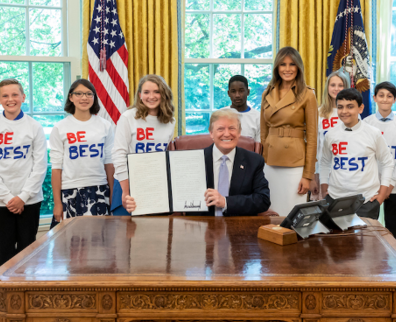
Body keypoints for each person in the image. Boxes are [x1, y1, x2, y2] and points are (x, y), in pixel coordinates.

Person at [123, 109, 271, 216]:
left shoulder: (253, 160)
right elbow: (170, 196)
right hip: (201, 232)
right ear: (211, 133)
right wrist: (139, 202)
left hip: (239, 231)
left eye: (232, 128)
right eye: (220, 129)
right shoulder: (191, 160)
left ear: (239, 132)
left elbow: (263, 200)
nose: (227, 134)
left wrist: (225, 202)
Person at [0, 79, 47, 267]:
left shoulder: (35, 127)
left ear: (23, 97)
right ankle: (4, 293)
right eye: (5, 96)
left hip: (29, 200)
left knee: (27, 250)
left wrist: (23, 197)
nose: (11, 99)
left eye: (15, 94)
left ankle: (25, 291)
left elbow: (40, 166)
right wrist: (8, 198)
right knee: (3, 250)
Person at [320, 88, 395, 220]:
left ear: (360, 108)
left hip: (366, 201)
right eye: (340, 107)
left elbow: (387, 162)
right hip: (334, 199)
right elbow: (325, 162)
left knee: (364, 241)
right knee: (335, 239)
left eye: (350, 107)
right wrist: (324, 188)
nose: (344, 111)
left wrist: (382, 195)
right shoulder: (331, 134)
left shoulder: (373, 133)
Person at [260, 46, 318, 216]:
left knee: (292, 217)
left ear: (298, 67)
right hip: (270, 162)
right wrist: (261, 164)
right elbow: (263, 133)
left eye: (292, 64)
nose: (287, 69)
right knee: (271, 215)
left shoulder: (307, 94)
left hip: (295, 163)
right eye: (283, 64)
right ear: (277, 67)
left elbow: (313, 137)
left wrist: (308, 175)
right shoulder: (267, 93)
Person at [49, 79, 115, 226]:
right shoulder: (60, 127)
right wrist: (57, 203)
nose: (84, 98)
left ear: (94, 97)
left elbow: (109, 163)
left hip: (99, 189)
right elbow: (56, 169)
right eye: (78, 94)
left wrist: (112, 195)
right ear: (71, 97)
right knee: (73, 244)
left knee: (100, 242)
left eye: (88, 94)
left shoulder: (105, 126)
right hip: (70, 191)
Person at [111, 75, 175, 214]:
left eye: (156, 91)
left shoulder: (170, 121)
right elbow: (119, 155)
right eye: (146, 92)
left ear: (163, 94)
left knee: (154, 233)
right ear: (140, 95)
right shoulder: (128, 117)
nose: (151, 96)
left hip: (154, 183)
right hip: (127, 181)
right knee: (125, 232)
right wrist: (126, 191)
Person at [363, 81, 396, 240]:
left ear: (394, 99)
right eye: (381, 95)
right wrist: (377, 183)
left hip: (395, 185)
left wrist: (390, 183)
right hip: (372, 184)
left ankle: (392, 262)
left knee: (393, 226)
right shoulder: (366, 123)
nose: (385, 99)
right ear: (374, 98)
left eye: (389, 96)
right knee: (367, 224)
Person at [310, 70, 350, 200]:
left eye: (340, 85)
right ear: (327, 87)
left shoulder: (352, 113)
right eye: (333, 85)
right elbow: (314, 145)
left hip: (346, 172)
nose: (336, 89)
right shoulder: (319, 113)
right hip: (323, 173)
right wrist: (312, 176)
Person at [221, 75, 260, 141]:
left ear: (248, 92)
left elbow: (259, 146)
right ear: (228, 93)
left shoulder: (258, 117)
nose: (237, 95)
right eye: (233, 91)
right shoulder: (220, 115)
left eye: (241, 91)